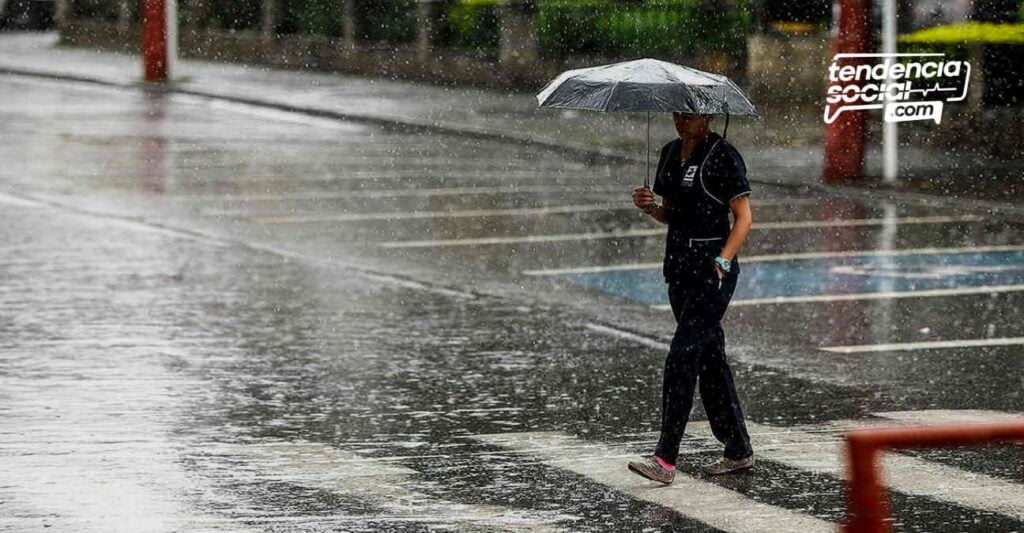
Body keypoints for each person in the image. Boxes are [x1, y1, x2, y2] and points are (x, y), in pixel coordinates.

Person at [626, 111, 755, 484]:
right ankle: (738, 449)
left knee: (682, 357)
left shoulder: (722, 154)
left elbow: (743, 217)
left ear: (710, 115)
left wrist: (724, 259)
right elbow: (674, 214)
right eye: (677, 114)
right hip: (678, 270)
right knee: (710, 360)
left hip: (711, 274)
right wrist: (650, 207)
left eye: (691, 115)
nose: (682, 121)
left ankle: (665, 458)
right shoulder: (668, 152)